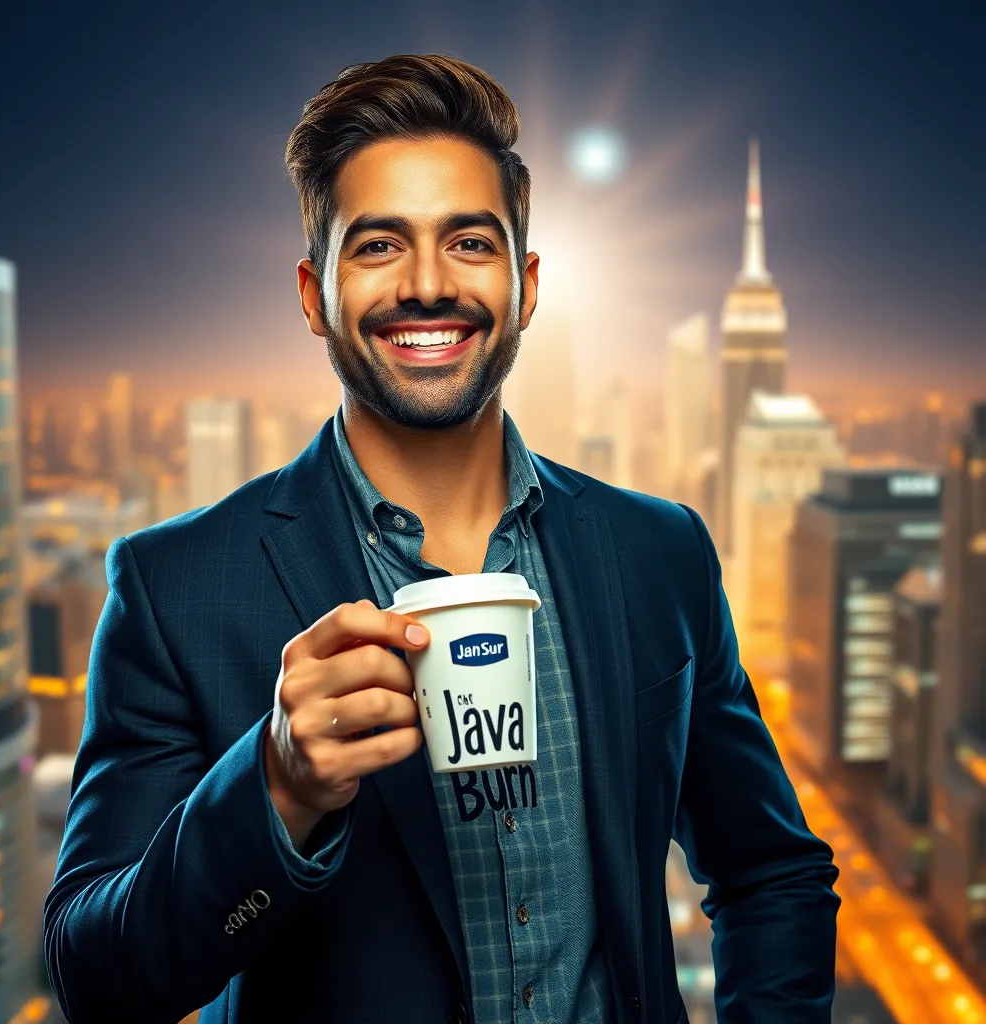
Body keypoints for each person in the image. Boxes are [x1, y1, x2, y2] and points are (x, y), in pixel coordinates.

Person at [44, 53, 840, 1024]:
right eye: (378, 246)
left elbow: (772, 870)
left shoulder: (657, 553)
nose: (428, 284)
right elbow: (96, 977)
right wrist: (277, 787)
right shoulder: (176, 590)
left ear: (525, 283)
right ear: (311, 294)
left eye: (469, 241)